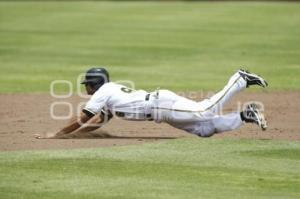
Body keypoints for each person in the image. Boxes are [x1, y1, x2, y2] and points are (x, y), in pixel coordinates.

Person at [36, 67, 268, 139]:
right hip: (160, 110)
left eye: (87, 83)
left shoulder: (103, 91)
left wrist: (58, 134)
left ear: (94, 83)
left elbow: (83, 117)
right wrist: (78, 135)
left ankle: (239, 79)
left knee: (204, 110)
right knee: (204, 129)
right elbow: (96, 122)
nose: (85, 86)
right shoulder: (109, 94)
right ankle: (244, 116)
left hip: (158, 105)